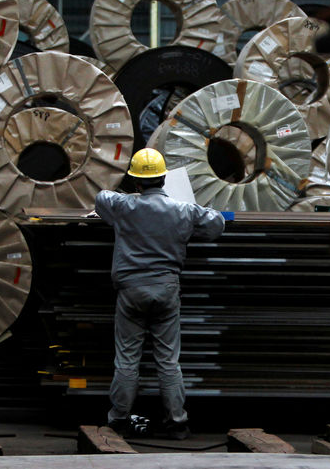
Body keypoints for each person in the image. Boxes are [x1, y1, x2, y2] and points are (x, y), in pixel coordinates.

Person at [93, 148, 225, 440]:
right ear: (164, 178)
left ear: (136, 182)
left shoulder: (123, 206)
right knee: (168, 361)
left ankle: (119, 421)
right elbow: (217, 224)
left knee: (127, 359)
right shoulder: (183, 210)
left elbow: (101, 197)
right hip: (166, 288)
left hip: (131, 290)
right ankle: (177, 423)